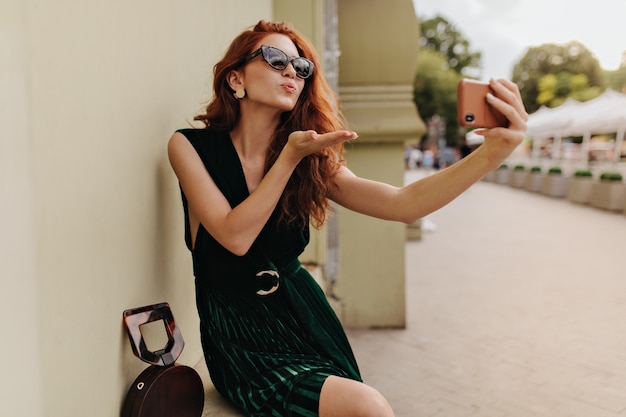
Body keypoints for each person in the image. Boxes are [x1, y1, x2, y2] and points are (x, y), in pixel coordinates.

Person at [167, 20, 527, 417]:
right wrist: (288, 157)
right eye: (275, 59)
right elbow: (235, 238)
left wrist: (491, 155)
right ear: (236, 78)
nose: (291, 70)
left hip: (303, 314)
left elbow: (402, 204)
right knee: (367, 406)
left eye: (301, 67)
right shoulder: (190, 147)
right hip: (237, 334)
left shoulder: (308, 156)